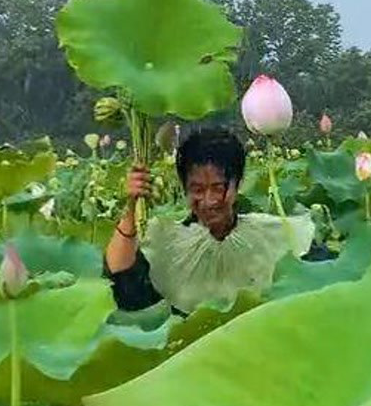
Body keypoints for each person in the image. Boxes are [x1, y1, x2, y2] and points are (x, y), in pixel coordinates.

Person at [105, 126, 327, 314]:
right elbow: (122, 282)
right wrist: (132, 207)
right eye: (197, 190)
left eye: (218, 188)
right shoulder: (165, 241)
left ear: (238, 184)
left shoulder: (274, 232)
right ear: (184, 188)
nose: (209, 201)